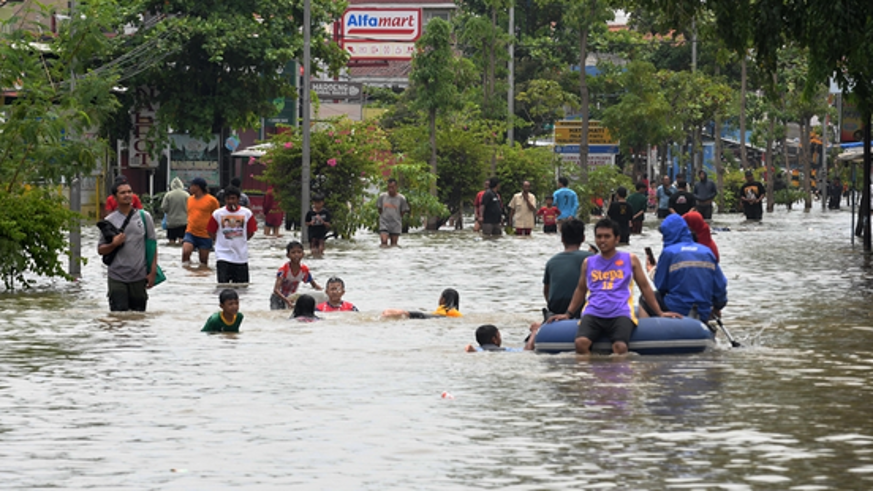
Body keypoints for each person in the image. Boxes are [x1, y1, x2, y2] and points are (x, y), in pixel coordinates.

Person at [547, 218, 680, 355]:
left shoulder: (630, 259)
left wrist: (659, 313)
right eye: (599, 236)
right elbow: (581, 289)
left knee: (620, 347)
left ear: (617, 239)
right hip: (593, 312)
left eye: (607, 236)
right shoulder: (588, 262)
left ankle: (618, 375)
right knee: (580, 344)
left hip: (620, 312)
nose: (602, 240)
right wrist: (568, 314)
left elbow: (645, 287)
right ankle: (586, 375)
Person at [639, 214, 727, 323]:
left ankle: (648, 333)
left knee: (645, 298)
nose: (662, 239)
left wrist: (652, 270)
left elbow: (661, 285)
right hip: (702, 310)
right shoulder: (706, 251)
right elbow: (720, 286)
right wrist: (717, 307)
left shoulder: (669, 252)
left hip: (677, 308)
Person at [97, 181, 158, 311]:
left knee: (138, 318)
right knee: (118, 317)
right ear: (114, 197)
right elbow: (100, 250)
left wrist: (152, 272)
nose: (127, 195)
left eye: (129, 192)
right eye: (123, 193)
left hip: (139, 275)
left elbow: (152, 245)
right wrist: (113, 244)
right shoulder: (109, 221)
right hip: (116, 276)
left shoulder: (144, 217)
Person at [542, 218, 593, 318]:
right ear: (583, 238)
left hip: (556, 307)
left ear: (562, 238)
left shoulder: (551, 262)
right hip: (581, 307)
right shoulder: (592, 258)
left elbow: (546, 292)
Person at [207, 186, 258, 283]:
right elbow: (210, 231)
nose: (230, 201)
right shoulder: (217, 214)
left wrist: (240, 240)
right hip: (223, 256)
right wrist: (220, 242)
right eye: (228, 199)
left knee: (242, 288)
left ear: (238, 199)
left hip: (241, 257)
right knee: (223, 287)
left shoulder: (247, 213)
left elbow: (251, 232)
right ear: (224, 199)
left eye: (233, 198)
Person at [271, 241, 323, 310]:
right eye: (293, 252)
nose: (296, 255)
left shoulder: (304, 270)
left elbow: (314, 285)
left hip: (292, 298)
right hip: (278, 298)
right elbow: (276, 290)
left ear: (303, 254)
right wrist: (286, 300)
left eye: (299, 252)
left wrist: (325, 293)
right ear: (288, 255)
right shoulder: (283, 270)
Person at [182, 177, 220, 266]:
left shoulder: (212, 200)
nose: (189, 188)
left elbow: (217, 216)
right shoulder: (189, 199)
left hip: (205, 234)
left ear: (197, 187)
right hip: (190, 232)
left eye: (191, 186)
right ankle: (186, 273)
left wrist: (216, 233)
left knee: (203, 262)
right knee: (186, 252)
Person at [381, 288, 462, 319]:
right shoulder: (456, 314)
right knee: (404, 313)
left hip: (424, 316)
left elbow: (438, 315)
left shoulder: (443, 309)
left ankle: (387, 313)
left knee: (403, 313)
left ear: (443, 299)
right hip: (426, 317)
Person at [377, 178, 411, 247]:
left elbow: (403, 211)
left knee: (394, 245)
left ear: (396, 187)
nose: (390, 189)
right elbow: (379, 209)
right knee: (384, 242)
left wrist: (397, 217)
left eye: (392, 187)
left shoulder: (401, 198)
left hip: (396, 223)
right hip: (384, 222)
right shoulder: (382, 196)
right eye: (389, 187)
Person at [464, 323, 539, 352]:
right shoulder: (505, 350)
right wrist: (534, 331)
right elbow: (528, 349)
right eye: (499, 336)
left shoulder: (478, 349)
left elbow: (468, 348)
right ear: (494, 340)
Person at [161, 176, 189, 246]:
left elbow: (164, 207)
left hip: (171, 222)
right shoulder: (186, 195)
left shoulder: (168, 195)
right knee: (182, 240)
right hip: (184, 222)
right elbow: (191, 208)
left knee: (171, 241)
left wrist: (169, 212)